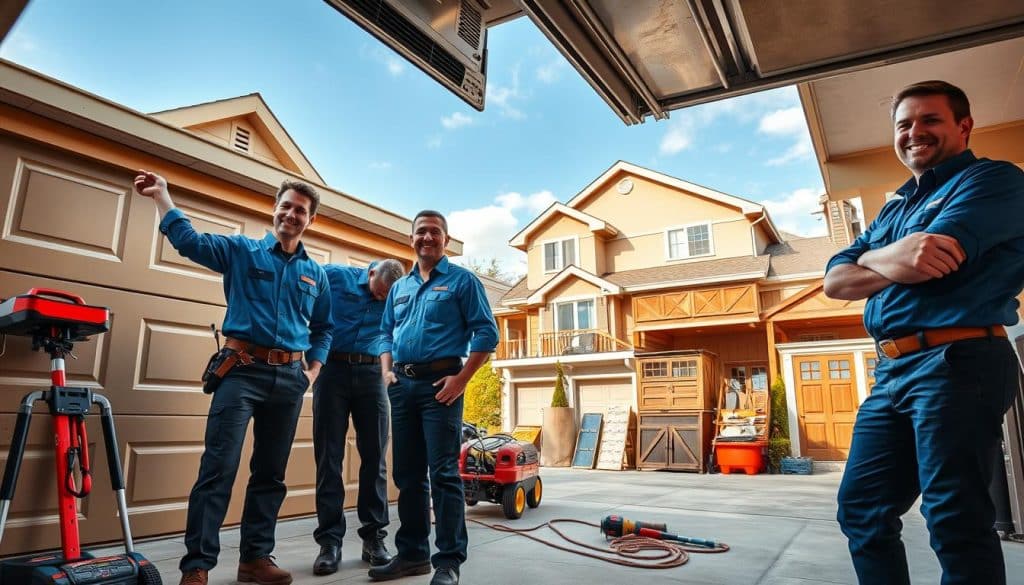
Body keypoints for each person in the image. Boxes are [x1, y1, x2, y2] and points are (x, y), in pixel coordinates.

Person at [824, 80, 1024, 584]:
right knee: (862, 510)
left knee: (954, 518)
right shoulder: (895, 209)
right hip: (892, 371)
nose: (915, 132)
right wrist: (893, 255)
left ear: (963, 125)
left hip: (957, 362)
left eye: (929, 120)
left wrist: (872, 260)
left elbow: (931, 261)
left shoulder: (992, 181)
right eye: (904, 124)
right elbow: (834, 279)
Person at [134, 170, 332, 585]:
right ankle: (197, 566)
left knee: (270, 474)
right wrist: (163, 197)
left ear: (310, 220)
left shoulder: (317, 274)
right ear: (274, 209)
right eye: (286, 206)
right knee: (218, 468)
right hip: (240, 372)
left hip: (289, 380)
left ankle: (255, 560)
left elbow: (324, 328)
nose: (291, 214)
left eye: (301, 210)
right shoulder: (242, 251)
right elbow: (189, 242)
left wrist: (312, 370)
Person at [369, 210, 498, 585]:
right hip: (402, 388)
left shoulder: (462, 281)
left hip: (440, 388)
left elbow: (486, 334)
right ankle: (412, 555)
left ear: (446, 239)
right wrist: (386, 370)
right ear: (412, 238)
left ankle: (448, 562)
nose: (427, 238)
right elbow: (384, 333)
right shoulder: (400, 287)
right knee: (407, 474)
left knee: (442, 474)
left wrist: (461, 379)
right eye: (421, 232)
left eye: (434, 232)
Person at [311, 258, 405, 575]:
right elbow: (300, 294)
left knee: (375, 458)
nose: (381, 300)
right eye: (378, 293)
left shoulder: (400, 294)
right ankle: (329, 543)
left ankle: (374, 539)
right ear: (371, 273)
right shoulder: (333, 276)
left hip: (372, 374)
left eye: (386, 298)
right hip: (332, 370)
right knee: (329, 458)